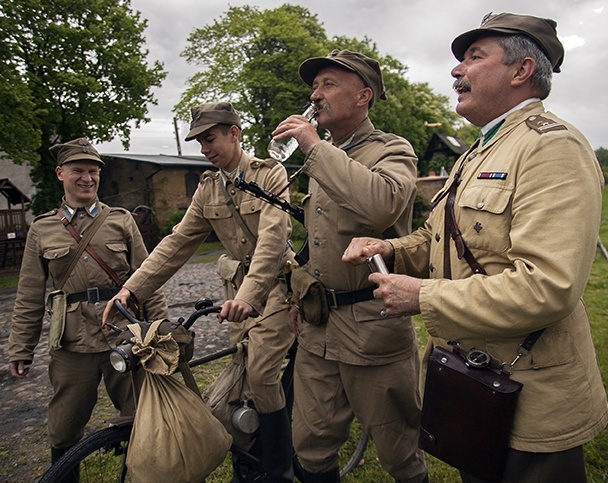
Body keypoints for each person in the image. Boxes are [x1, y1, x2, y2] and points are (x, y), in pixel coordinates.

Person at [342, 13, 608, 483]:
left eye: (473, 56)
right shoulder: (478, 151)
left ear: (521, 70)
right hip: (474, 383)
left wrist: (422, 296)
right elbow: (439, 237)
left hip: (530, 397)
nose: (455, 70)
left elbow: (548, 287)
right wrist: (389, 246)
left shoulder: (551, 148)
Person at [102, 102, 296, 482]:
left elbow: (274, 239)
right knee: (240, 368)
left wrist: (249, 297)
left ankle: (278, 469)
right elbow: (176, 244)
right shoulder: (209, 187)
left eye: (210, 139)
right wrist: (130, 289)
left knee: (260, 372)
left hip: (279, 288)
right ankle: (249, 449)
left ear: (234, 133)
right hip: (238, 290)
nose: (205, 149)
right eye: (199, 142)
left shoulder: (270, 173)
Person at [270, 49, 429, 483]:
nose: (315, 95)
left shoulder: (392, 148)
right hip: (318, 325)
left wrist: (314, 145)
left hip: (372, 327)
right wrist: (297, 294)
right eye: (314, 86)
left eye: (328, 85)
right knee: (311, 444)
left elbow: (380, 205)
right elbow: (317, 241)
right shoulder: (325, 155)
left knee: (399, 449)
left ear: (363, 96)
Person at [7, 138, 169, 476]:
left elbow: (148, 277)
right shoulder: (42, 229)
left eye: (93, 171)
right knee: (64, 427)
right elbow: (29, 293)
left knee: (142, 418)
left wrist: (163, 330)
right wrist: (20, 348)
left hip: (124, 338)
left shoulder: (121, 221)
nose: (87, 178)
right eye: (78, 170)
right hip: (71, 344)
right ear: (60, 173)